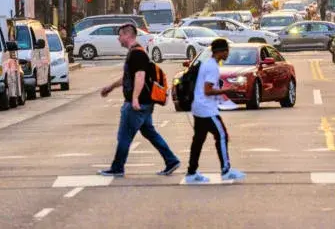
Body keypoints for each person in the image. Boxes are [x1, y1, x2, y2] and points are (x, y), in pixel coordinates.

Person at [99, 23, 180, 177]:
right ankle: (171, 160)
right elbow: (128, 77)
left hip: (138, 104)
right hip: (145, 103)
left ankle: (117, 168)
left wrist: (135, 98)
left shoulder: (137, 54)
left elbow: (140, 76)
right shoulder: (135, 53)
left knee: (124, 136)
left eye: (120, 35)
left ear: (128, 35)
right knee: (150, 133)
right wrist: (111, 87)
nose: (118, 39)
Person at [184, 38, 246, 184]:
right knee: (222, 136)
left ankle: (191, 172)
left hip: (198, 108)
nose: (228, 53)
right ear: (220, 52)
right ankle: (226, 170)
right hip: (207, 110)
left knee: (198, 140)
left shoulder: (208, 64)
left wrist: (222, 95)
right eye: (227, 51)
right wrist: (227, 89)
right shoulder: (212, 67)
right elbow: (207, 90)